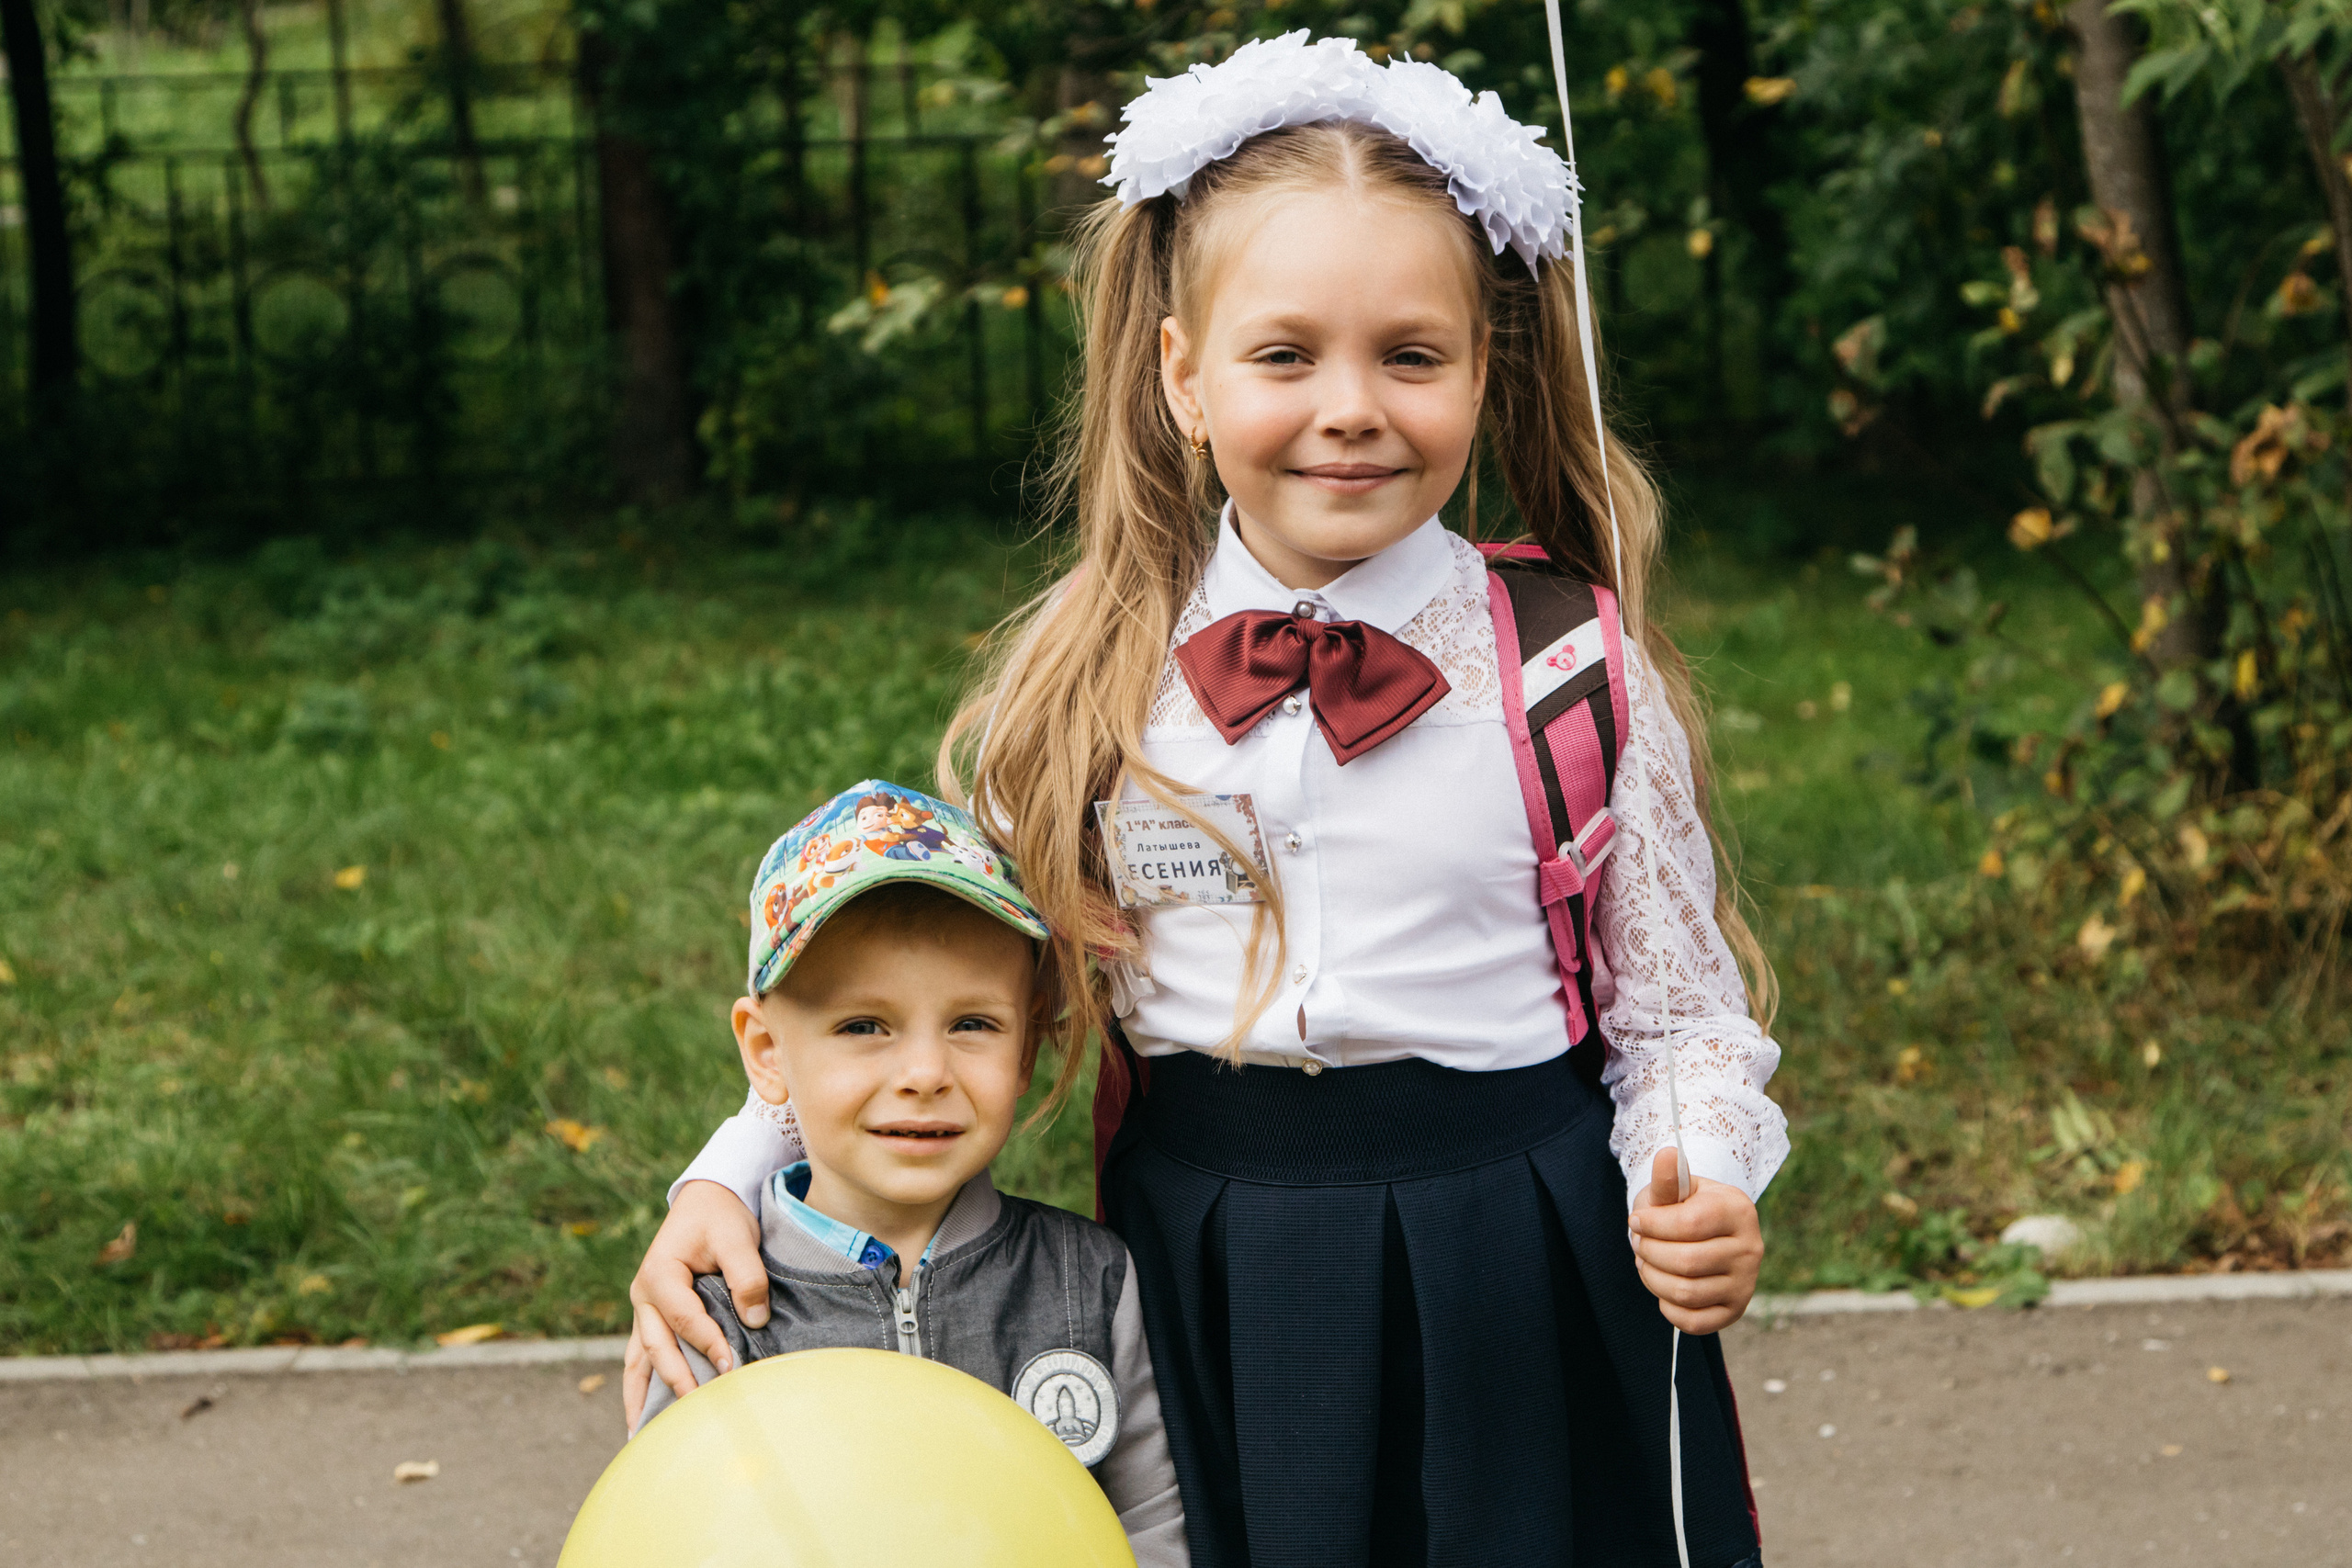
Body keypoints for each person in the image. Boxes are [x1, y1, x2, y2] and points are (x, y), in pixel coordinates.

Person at [628, 33, 1785, 1568]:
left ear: (1485, 367)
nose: (1353, 407)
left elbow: (1676, 1007)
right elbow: (933, 967)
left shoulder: (1568, 665)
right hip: (1212, 1261)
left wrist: (1687, 1175)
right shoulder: (1087, 678)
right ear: (1181, 370)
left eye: (1412, 355)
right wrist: (733, 1166)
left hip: (1520, 1245)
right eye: (1286, 354)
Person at [626, 779, 1189, 1566]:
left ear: (1026, 1048)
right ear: (766, 1051)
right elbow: (662, 1528)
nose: (925, 1070)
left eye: (973, 1024)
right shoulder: (717, 1319)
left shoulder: (1087, 1279)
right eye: (864, 1024)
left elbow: (1149, 1519)